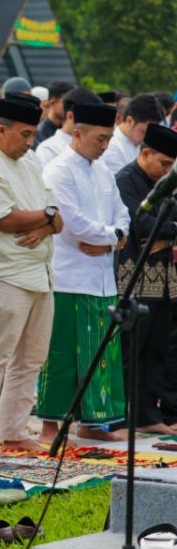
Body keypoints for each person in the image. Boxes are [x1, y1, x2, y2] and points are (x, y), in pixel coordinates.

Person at [0, 98, 63, 457]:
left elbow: (58, 218)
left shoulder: (32, 160)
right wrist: (47, 219)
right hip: (3, 273)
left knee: (32, 359)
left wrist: (45, 221)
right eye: (24, 134)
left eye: (33, 134)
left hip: (40, 273)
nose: (29, 141)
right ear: (1, 129)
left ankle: (13, 430)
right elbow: (4, 219)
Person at [38, 102, 128, 444]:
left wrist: (112, 239)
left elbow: (123, 216)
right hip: (69, 277)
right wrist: (112, 238)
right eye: (100, 138)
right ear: (78, 133)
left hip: (102, 278)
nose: (105, 146)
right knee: (61, 352)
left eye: (109, 139)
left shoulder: (104, 171)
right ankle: (49, 426)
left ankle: (92, 423)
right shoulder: (58, 170)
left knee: (101, 352)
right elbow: (73, 224)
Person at [114, 124, 177, 435]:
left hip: (163, 277)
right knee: (132, 349)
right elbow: (139, 223)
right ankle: (127, 414)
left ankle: (149, 415)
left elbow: (161, 225)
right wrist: (166, 230)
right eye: (164, 163)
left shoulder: (163, 183)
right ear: (146, 153)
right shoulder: (126, 180)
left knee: (156, 348)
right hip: (135, 279)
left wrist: (165, 233)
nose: (167, 171)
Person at [98, 93, 165, 175]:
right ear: (129, 121)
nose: (147, 138)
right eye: (143, 132)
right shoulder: (113, 148)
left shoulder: (137, 143)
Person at [36, 87, 103, 164]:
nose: (95, 124)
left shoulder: (94, 147)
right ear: (70, 116)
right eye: (90, 118)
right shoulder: (49, 149)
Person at [35, 80, 76, 148]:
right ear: (53, 103)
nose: (71, 108)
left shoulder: (71, 129)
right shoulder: (40, 134)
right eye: (67, 103)